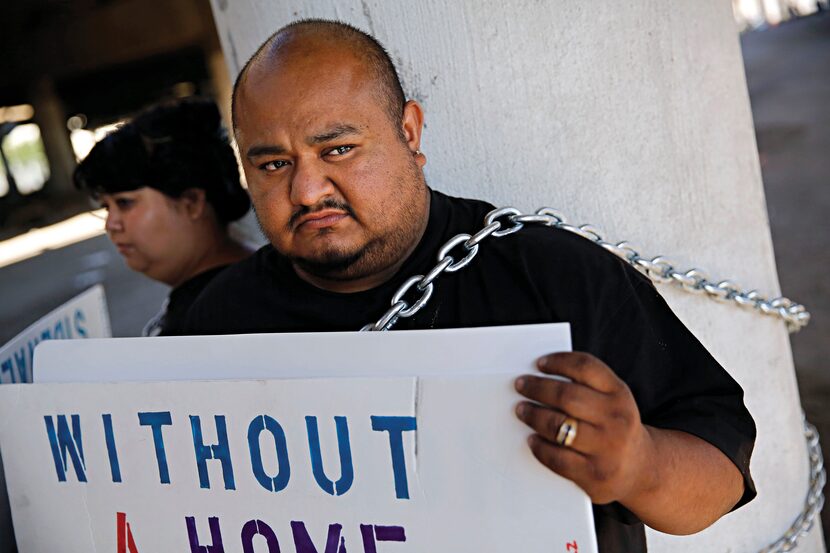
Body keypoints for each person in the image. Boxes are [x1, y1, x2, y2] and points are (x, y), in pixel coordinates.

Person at [183, 20, 756, 552]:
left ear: (408, 131)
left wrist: (639, 466)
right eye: (274, 164)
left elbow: (720, 476)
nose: (307, 191)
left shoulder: (552, 275)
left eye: (338, 150)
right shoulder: (219, 322)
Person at [74, 98, 253, 336]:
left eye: (125, 203)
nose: (111, 225)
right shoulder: (256, 278)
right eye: (106, 207)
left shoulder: (214, 318)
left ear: (192, 202)